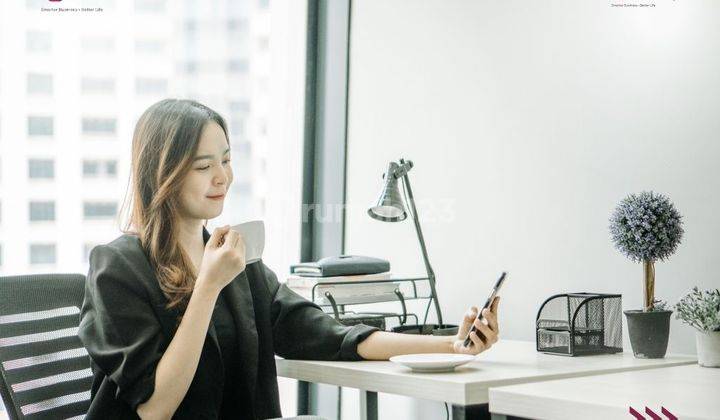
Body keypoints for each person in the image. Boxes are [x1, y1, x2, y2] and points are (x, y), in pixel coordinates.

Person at [78, 99, 501, 420]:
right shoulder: (118, 268)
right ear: (162, 173)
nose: (223, 177)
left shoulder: (236, 259)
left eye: (226, 160)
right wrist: (207, 287)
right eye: (203, 166)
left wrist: (452, 345)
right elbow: (155, 408)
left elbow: (330, 335)